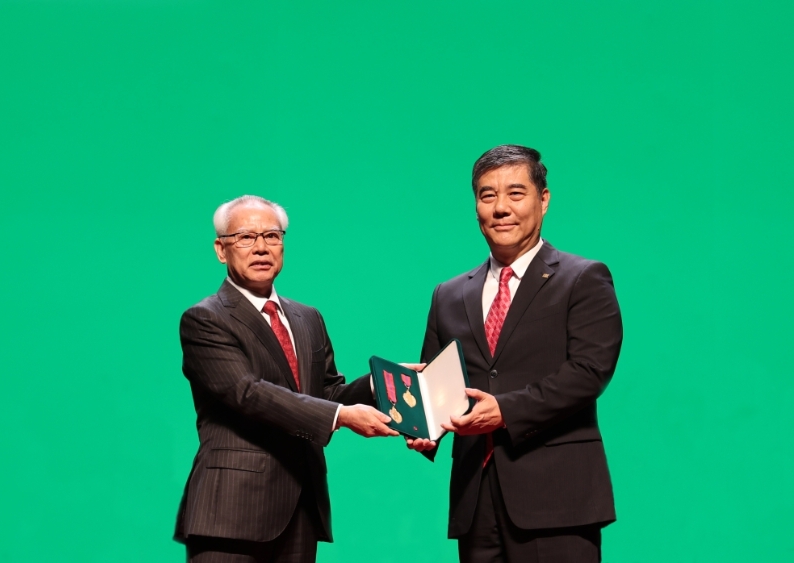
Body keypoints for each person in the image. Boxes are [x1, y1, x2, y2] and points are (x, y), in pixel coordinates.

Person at [409, 145, 623, 562]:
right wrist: (423, 425)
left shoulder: (583, 278)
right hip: (475, 501)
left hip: (558, 498)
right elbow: (435, 383)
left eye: (515, 193)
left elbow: (589, 371)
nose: (500, 208)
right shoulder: (447, 294)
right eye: (487, 195)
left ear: (544, 200)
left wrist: (505, 411)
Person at [174, 195, 398, 563]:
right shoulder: (205, 319)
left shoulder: (308, 317)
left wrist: (382, 383)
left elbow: (326, 392)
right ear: (221, 250)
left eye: (272, 236)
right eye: (246, 237)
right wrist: (341, 417)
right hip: (231, 512)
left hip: (300, 509)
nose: (261, 247)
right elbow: (247, 393)